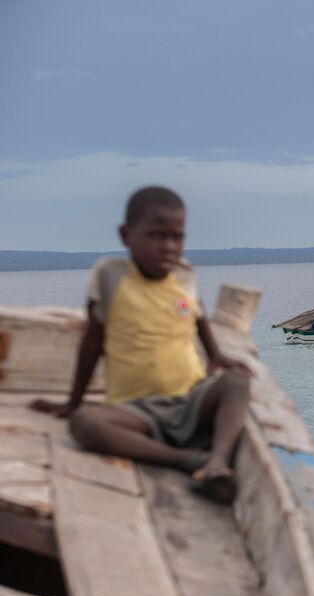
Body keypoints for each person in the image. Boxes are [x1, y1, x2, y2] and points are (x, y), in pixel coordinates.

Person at [30, 186, 250, 505]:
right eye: (156, 236)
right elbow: (92, 343)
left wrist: (216, 354)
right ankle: (188, 460)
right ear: (126, 235)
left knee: (237, 381)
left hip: (190, 399)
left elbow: (198, 315)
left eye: (176, 237)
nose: (168, 247)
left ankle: (217, 461)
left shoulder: (183, 275)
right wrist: (73, 402)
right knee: (86, 423)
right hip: (136, 411)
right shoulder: (110, 275)